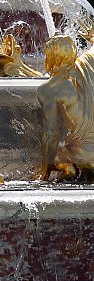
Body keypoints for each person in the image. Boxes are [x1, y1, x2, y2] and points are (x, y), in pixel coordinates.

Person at [37, 36, 94, 182]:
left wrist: (44, 172)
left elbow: (52, 134)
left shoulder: (49, 89)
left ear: (52, 56)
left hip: (82, 156)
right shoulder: (87, 67)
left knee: (57, 155)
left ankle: (69, 170)